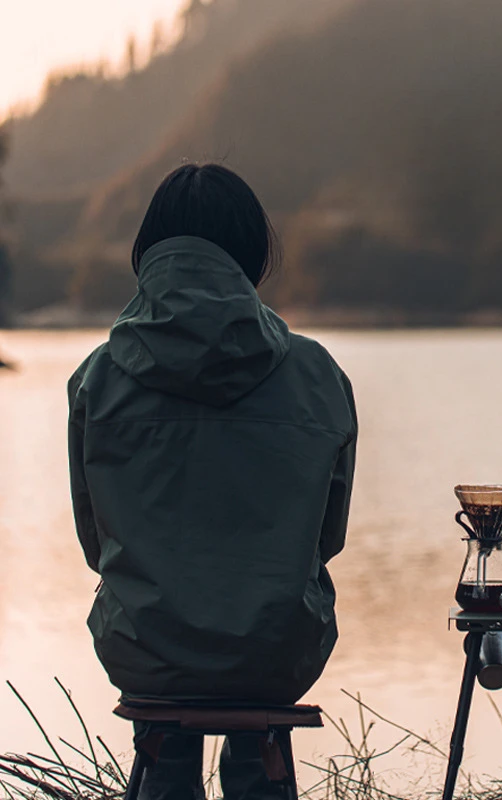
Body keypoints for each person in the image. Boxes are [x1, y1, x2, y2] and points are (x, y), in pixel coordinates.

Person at [67, 163, 357, 800]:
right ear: (252, 255)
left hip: (146, 649)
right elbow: (326, 538)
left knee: (163, 722)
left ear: (148, 252)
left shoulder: (99, 379)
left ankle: (167, 773)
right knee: (271, 626)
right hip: (278, 651)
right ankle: (257, 768)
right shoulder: (318, 375)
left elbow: (96, 542)